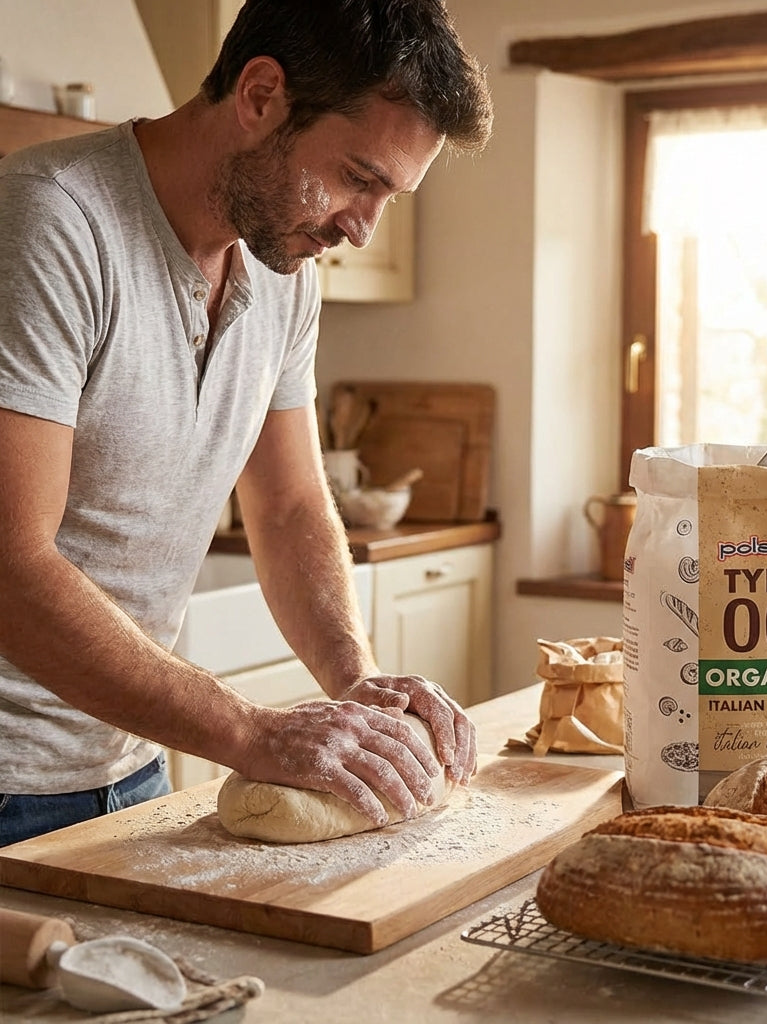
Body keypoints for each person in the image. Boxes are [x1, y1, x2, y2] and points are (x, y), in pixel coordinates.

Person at [0, 0, 493, 846]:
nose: (362, 225)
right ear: (261, 94)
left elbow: (292, 504)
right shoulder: (51, 223)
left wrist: (357, 683)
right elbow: (10, 565)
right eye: (358, 177)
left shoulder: (283, 269)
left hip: (130, 766)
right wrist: (251, 732)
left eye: (388, 196)